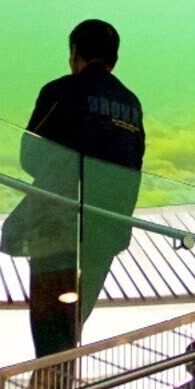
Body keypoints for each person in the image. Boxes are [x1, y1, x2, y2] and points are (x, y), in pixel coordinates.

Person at [9, 18, 145, 362]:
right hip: (108, 229)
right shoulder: (131, 103)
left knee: (50, 331)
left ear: (74, 53)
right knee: (71, 331)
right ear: (115, 58)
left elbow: (30, 156)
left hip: (57, 223)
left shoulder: (60, 91)